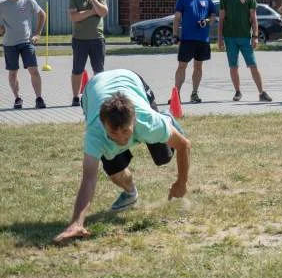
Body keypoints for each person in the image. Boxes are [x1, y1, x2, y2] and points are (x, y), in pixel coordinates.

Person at [52, 69, 191, 244]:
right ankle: (130, 194)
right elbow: (89, 178)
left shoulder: (148, 122)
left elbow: (184, 144)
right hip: (93, 88)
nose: (121, 139)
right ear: (104, 125)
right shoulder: (95, 132)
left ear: (133, 121)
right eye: (113, 133)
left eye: (125, 131)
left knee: (163, 156)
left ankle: (167, 118)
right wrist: (75, 223)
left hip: (131, 79)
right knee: (113, 168)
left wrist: (181, 182)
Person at [217, 0, 272, 102]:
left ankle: (261, 92)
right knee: (233, 66)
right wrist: (220, 39)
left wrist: (255, 36)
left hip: (245, 37)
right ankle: (237, 92)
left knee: (253, 65)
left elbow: (254, 18)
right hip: (229, 37)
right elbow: (221, 19)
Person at [0, 0, 47, 109]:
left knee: (34, 70)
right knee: (13, 73)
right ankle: (17, 98)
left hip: (26, 42)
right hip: (9, 44)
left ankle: (39, 98)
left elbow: (42, 15)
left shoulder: (28, 1)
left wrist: (37, 33)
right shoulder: (2, 4)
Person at [173, 0, 218, 103]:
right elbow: (177, 18)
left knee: (198, 67)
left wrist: (207, 21)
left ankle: (194, 93)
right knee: (182, 66)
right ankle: (176, 95)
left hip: (202, 40)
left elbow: (213, 17)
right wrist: (175, 35)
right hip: (187, 39)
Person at [68, 0, 108, 107]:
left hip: (97, 39)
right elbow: (74, 17)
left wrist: (93, 0)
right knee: (77, 69)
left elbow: (103, 12)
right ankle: (75, 97)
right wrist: (92, 11)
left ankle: (99, 96)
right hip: (79, 39)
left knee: (99, 70)